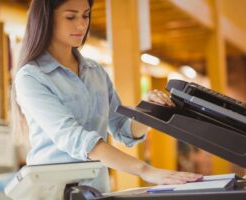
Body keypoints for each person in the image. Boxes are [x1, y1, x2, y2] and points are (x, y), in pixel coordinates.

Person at [11, 0, 202, 193]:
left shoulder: (96, 72)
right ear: (46, 20)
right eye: (70, 17)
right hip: (54, 192)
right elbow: (75, 138)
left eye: (85, 15)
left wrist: (151, 111)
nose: (81, 25)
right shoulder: (31, 77)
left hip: (96, 191)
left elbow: (122, 130)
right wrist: (145, 170)